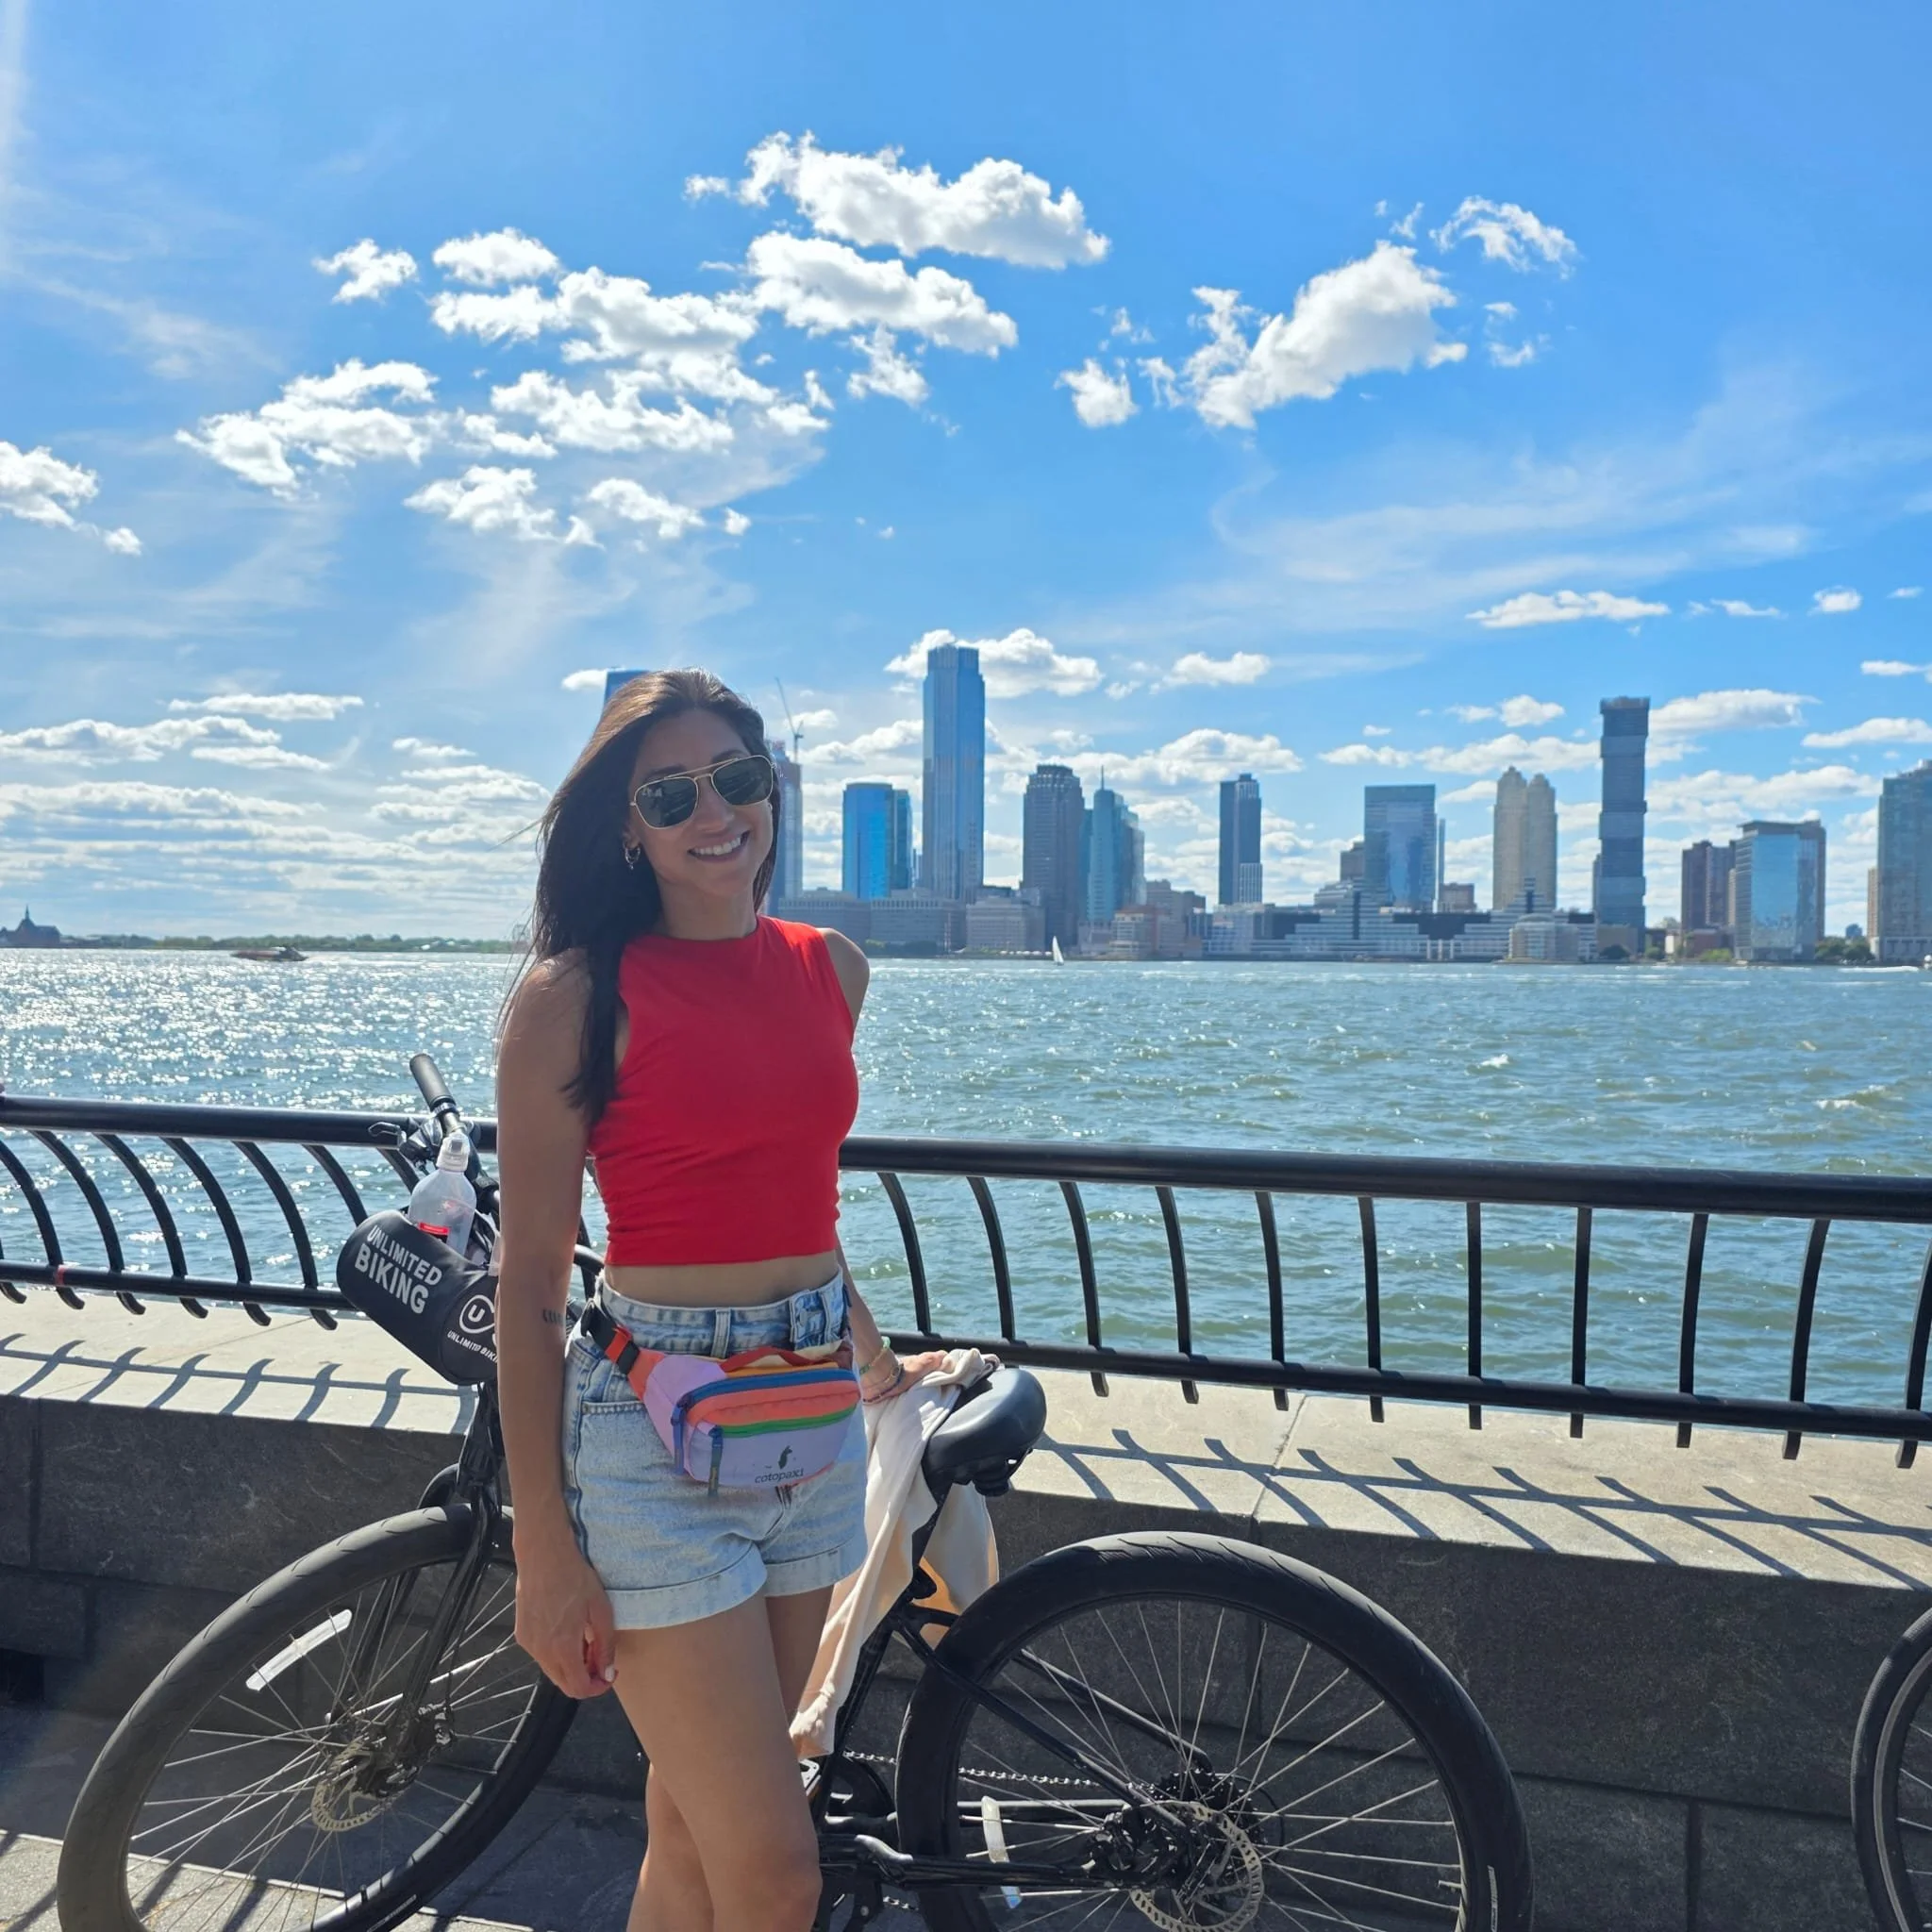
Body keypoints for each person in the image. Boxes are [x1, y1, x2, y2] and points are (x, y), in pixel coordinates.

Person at [493, 669, 935, 1932]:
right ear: (626, 829)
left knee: (694, 1833)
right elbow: (532, 1287)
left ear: (771, 793)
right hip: (653, 1427)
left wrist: (876, 1364)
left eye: (737, 779)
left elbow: (795, 1201)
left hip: (809, 1418)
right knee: (779, 1873)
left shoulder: (832, 969)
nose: (714, 812)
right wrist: (543, 1548)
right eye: (669, 795)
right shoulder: (575, 999)